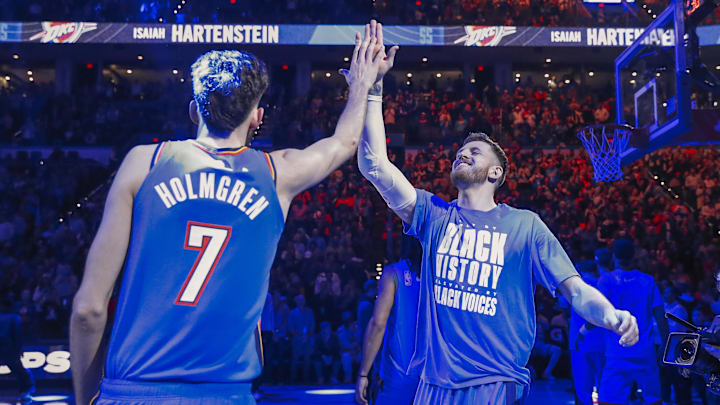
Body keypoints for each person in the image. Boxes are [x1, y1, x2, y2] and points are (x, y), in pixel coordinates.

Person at [70, 22, 384, 405]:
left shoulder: (144, 163)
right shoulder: (277, 173)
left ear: (193, 110)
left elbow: (88, 309)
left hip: (134, 390)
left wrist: (87, 399)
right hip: (226, 395)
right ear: (257, 117)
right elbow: (344, 142)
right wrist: (363, 84)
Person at [354, 28, 639, 403]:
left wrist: (610, 315)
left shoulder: (525, 226)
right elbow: (374, 165)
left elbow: (576, 290)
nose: (463, 153)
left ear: (496, 173)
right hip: (433, 387)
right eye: (461, 150)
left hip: (493, 383)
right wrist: (372, 90)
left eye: (475, 151)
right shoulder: (434, 217)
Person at [596, 239, 668, 405]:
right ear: (634, 255)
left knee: (608, 400)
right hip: (644, 349)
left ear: (614, 256)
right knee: (653, 398)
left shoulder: (606, 281)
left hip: (616, 349)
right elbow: (660, 315)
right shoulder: (647, 280)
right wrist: (665, 344)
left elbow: (598, 314)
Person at [355, 236, 422, 405]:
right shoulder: (442, 275)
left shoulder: (394, 273)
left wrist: (363, 374)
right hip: (436, 378)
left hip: (399, 377)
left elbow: (378, 323)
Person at [570, 259, 606, 405]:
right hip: (602, 343)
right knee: (604, 384)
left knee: (583, 388)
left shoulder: (576, 287)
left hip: (580, 342)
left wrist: (581, 333)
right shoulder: (603, 284)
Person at [659, 285, 691, 405]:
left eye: (668, 292)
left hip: (676, 350)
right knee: (665, 381)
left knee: (679, 383)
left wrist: (662, 326)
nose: (665, 295)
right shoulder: (663, 308)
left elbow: (675, 329)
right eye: (664, 292)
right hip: (663, 349)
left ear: (673, 294)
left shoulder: (679, 309)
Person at [0, 299, 35, 402]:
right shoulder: (14, 318)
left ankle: (25, 391)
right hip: (9, 349)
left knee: (20, 371)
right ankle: (25, 391)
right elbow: (18, 335)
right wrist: (19, 349)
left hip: (9, 349)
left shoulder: (13, 318)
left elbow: (17, 335)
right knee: (20, 371)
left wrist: (18, 349)